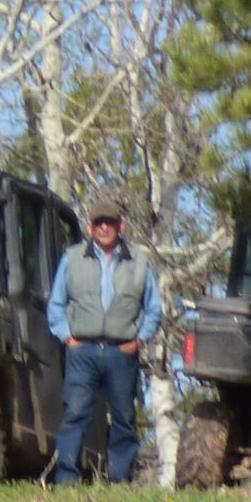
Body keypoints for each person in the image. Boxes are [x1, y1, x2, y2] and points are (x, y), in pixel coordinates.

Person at [47, 202, 161, 484]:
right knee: (75, 415)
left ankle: (120, 480)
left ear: (120, 225)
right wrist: (66, 337)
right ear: (90, 227)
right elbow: (56, 303)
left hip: (121, 352)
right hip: (82, 351)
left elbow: (154, 309)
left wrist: (139, 341)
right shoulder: (72, 258)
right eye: (98, 223)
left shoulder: (139, 261)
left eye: (109, 222)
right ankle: (67, 480)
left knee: (123, 418)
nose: (104, 228)